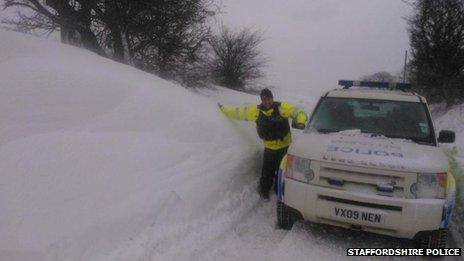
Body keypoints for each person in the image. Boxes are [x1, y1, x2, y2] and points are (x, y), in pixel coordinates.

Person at [218, 88, 309, 199]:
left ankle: (279, 189)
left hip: (285, 147)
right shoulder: (256, 111)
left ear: (272, 98)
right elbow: (238, 112)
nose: (267, 102)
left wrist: (300, 121)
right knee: (267, 172)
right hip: (269, 148)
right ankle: (264, 192)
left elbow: (298, 111)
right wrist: (224, 109)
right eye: (264, 99)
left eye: (269, 99)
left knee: (282, 171)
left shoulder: (281, 108)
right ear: (261, 100)